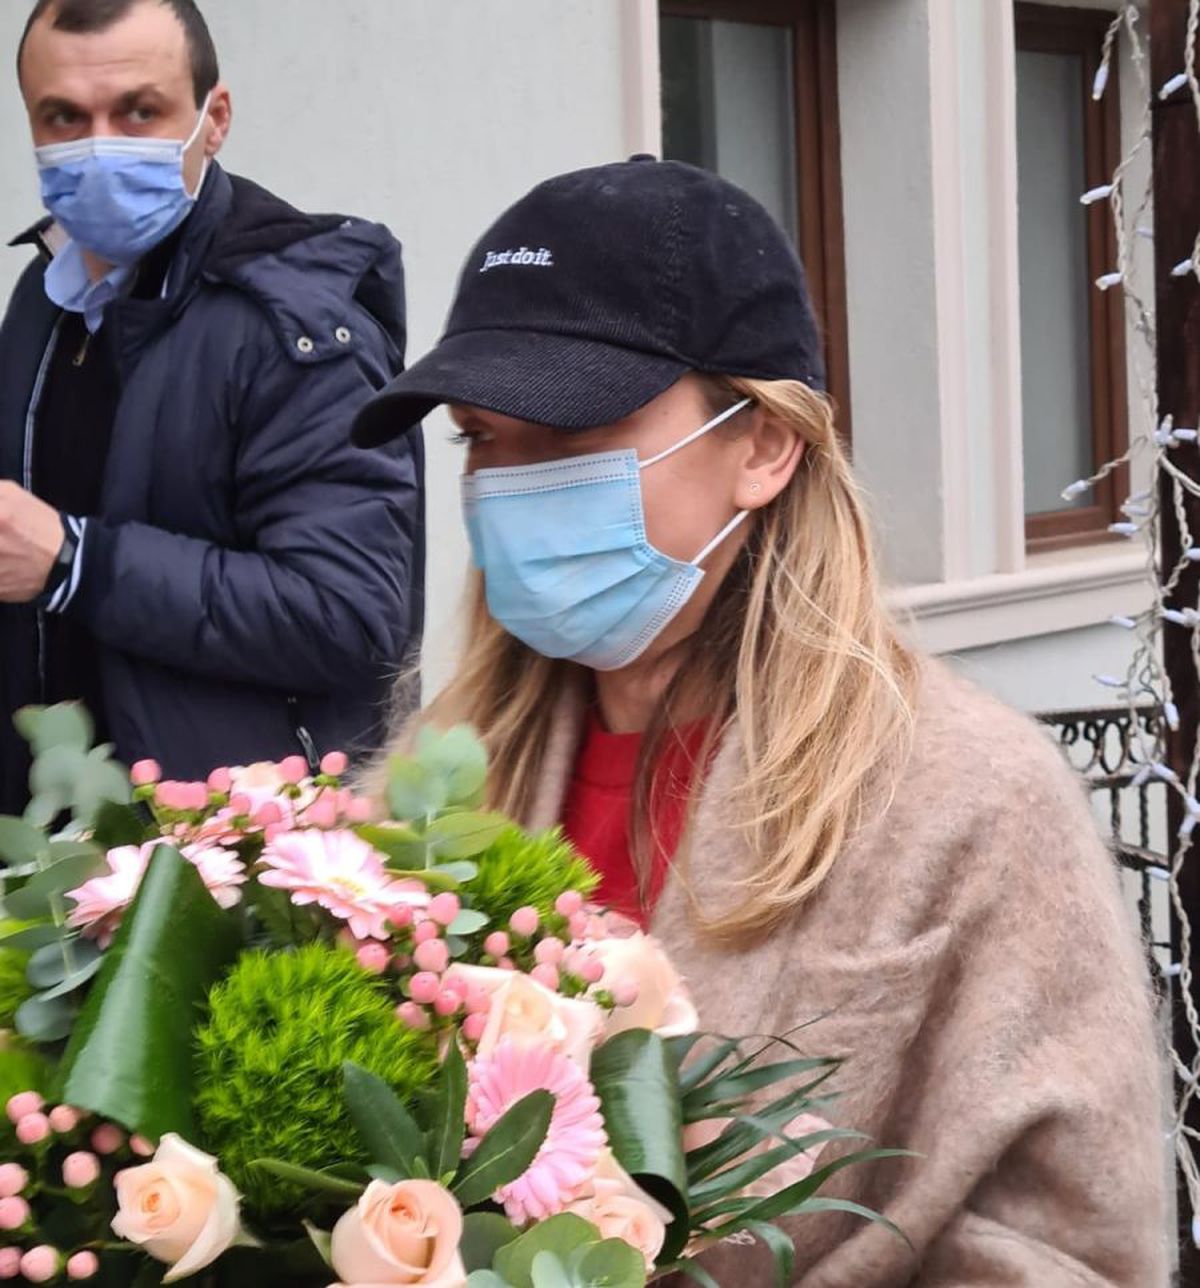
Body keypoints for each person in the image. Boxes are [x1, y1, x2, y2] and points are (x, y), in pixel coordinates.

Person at [353, 157, 1168, 1284]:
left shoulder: (972, 801)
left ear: (765, 444)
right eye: (484, 437)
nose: (512, 480)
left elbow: (1069, 1247)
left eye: (571, 430)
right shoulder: (425, 786)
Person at [0, 0, 423, 814]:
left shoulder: (296, 326)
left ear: (214, 117)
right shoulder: (42, 298)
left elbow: (347, 614)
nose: (99, 147)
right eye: (65, 118)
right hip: (49, 871)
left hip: (230, 875)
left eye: (139, 112)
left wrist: (73, 562)